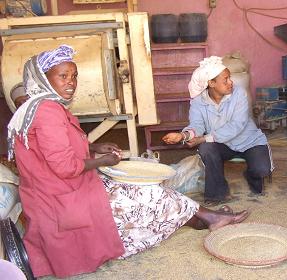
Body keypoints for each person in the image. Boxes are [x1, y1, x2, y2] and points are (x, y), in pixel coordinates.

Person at [7, 45, 249, 278]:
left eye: (74, 76)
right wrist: (103, 160)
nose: (71, 82)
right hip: (64, 199)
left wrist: (93, 147)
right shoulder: (47, 112)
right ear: (44, 79)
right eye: (63, 76)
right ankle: (207, 218)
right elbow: (66, 167)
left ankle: (203, 217)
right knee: (150, 195)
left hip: (57, 192)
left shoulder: (39, 107)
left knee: (146, 192)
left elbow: (55, 148)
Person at [162, 56, 273, 205]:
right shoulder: (198, 101)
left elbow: (237, 125)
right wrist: (183, 135)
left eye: (230, 78)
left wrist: (203, 138)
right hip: (222, 144)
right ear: (211, 83)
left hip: (249, 142)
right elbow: (197, 125)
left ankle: (251, 175)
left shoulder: (239, 94)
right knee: (206, 149)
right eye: (225, 80)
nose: (231, 82)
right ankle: (217, 194)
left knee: (261, 170)